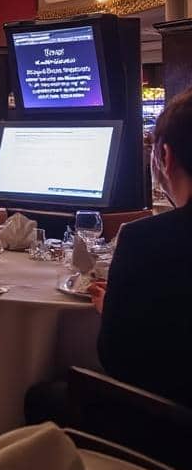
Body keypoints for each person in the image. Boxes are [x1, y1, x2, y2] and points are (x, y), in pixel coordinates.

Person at [81, 89, 190, 406]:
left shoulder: (144, 239)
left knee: (41, 395)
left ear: (165, 158)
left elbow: (118, 360)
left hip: (167, 434)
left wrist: (113, 310)